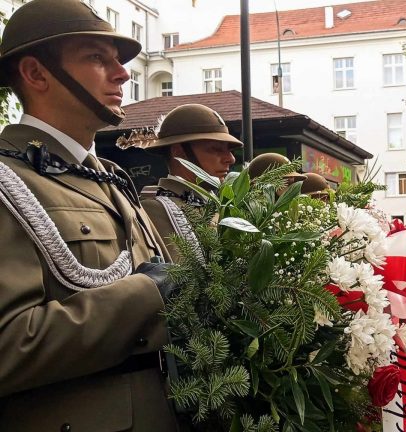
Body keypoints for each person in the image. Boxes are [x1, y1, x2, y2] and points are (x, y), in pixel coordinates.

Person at [0, 0, 178, 429]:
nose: (122, 74)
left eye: (118, 60)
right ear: (36, 73)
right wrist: (145, 295)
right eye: (97, 58)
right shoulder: (9, 180)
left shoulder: (112, 179)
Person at [141, 104, 242, 262]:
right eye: (216, 149)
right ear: (179, 152)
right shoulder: (155, 209)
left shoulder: (215, 204)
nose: (231, 158)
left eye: (230, 150)